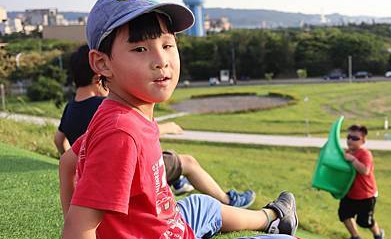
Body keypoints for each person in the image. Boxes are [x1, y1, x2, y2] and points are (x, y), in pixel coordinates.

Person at [60, 0, 391, 239]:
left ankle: (271, 216)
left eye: (168, 44)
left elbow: (67, 163)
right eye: (140, 48)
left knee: (201, 206)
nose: (161, 59)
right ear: (102, 64)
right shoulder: (122, 130)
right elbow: (80, 228)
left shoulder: (118, 112)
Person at [55, 44, 254, 208]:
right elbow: (133, 131)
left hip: (101, 169)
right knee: (188, 163)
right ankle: (227, 200)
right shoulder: (106, 108)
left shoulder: (70, 108)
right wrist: (169, 127)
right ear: (99, 74)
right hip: (128, 169)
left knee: (169, 159)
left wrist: (81, 169)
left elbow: (59, 141)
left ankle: (178, 182)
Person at [339, 124, 384, 239]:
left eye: (355, 138)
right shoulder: (347, 153)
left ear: (363, 140)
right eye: (349, 137)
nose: (350, 140)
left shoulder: (365, 154)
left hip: (366, 194)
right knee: (344, 214)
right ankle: (355, 237)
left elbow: (365, 170)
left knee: (365, 221)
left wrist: (353, 160)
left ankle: (378, 235)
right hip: (350, 192)